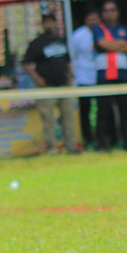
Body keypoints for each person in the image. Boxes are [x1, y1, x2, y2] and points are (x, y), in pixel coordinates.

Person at [22, 12, 78, 154]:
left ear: (55, 23)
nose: (49, 25)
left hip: (63, 85)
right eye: (46, 22)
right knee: (48, 119)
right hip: (46, 87)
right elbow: (26, 64)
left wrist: (71, 75)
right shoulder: (37, 43)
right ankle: (51, 148)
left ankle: (71, 147)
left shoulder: (61, 41)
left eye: (51, 22)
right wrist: (38, 79)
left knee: (67, 117)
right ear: (42, 25)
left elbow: (67, 60)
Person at [93, 1, 127, 151]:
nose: (110, 13)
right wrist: (121, 44)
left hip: (122, 74)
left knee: (125, 110)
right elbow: (103, 44)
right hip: (104, 75)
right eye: (106, 11)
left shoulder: (124, 29)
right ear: (102, 14)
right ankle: (102, 144)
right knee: (103, 111)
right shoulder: (98, 29)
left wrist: (112, 45)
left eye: (112, 10)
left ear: (117, 12)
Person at [71, 10, 101, 149]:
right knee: (85, 110)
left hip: (100, 75)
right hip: (83, 77)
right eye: (90, 19)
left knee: (102, 110)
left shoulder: (103, 32)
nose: (93, 22)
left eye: (95, 19)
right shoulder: (78, 35)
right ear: (86, 20)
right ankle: (88, 138)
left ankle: (102, 137)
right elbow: (73, 56)